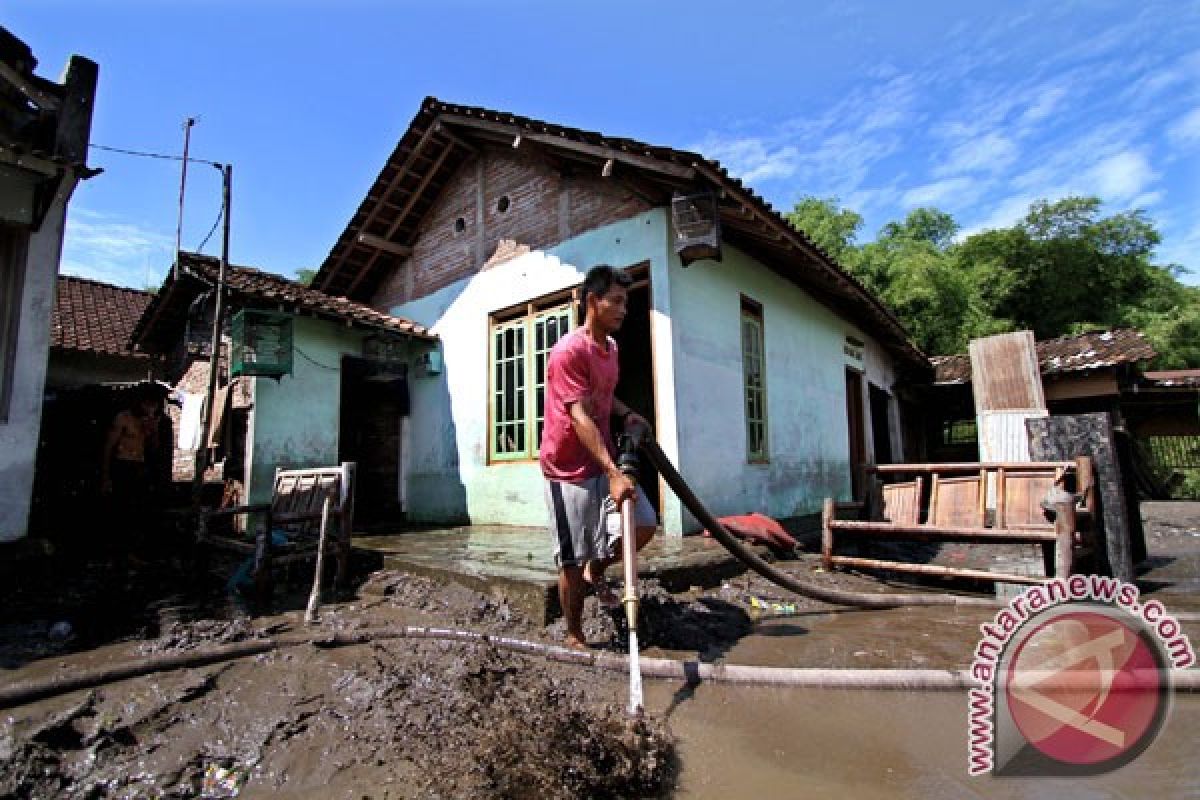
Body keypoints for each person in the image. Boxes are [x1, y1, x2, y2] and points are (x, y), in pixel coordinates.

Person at [540, 265, 657, 649]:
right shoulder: (568, 352)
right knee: (571, 563)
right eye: (618, 301)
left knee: (641, 525)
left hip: (601, 458)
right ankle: (574, 634)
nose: (625, 310)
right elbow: (579, 416)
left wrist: (626, 414)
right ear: (594, 301)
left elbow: (603, 397)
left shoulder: (612, 349)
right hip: (567, 470)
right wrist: (613, 471)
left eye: (627, 302)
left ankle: (598, 570)